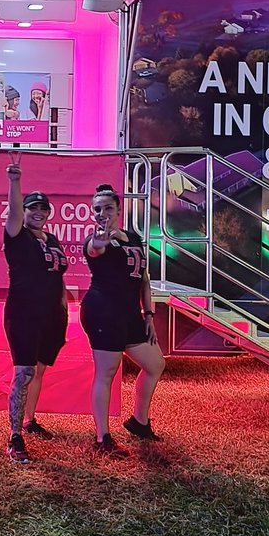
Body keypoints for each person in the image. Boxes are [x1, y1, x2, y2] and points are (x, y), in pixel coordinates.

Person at [80, 182, 165, 454]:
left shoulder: (134, 238)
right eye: (97, 209)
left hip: (130, 314)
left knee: (155, 364)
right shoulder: (95, 240)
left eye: (107, 208)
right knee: (106, 373)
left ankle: (139, 422)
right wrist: (100, 241)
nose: (102, 213)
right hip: (102, 311)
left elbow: (144, 280)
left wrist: (148, 314)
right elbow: (94, 248)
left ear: (118, 209)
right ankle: (102, 437)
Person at [2, 162, 69, 463]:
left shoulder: (50, 239)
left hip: (52, 314)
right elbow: (14, 215)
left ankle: (29, 421)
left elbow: (58, 275)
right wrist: (16, 182)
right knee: (24, 372)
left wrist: (64, 306)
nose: (38, 213)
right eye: (32, 208)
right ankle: (14, 437)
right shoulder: (18, 235)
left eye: (43, 209)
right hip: (24, 314)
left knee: (39, 369)